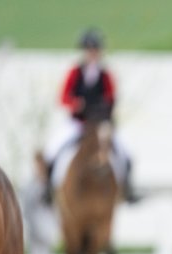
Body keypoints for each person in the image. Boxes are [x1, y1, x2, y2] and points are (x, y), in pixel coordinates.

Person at [39, 28, 137, 203]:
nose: (92, 53)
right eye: (89, 49)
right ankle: (49, 190)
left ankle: (128, 189)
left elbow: (112, 98)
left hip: (100, 125)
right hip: (78, 123)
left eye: (95, 49)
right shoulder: (75, 73)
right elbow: (63, 97)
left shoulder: (105, 75)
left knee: (125, 152)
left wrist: (103, 108)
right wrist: (76, 104)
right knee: (52, 150)